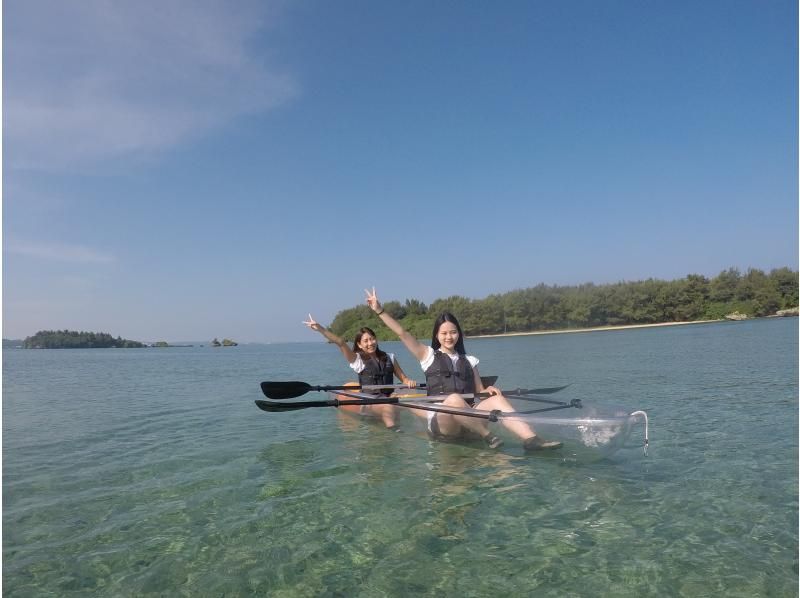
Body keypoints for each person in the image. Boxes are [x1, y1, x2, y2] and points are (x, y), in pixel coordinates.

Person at [364, 288, 562, 450]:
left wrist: (489, 392)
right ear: (437, 335)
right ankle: (488, 435)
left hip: (468, 420)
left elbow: (478, 392)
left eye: (453, 332)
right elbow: (402, 333)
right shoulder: (427, 355)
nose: (449, 337)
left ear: (459, 334)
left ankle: (531, 439)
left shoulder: (470, 360)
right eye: (444, 333)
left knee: (498, 398)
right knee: (454, 399)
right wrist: (380, 310)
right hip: (442, 423)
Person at [303, 314, 417, 430]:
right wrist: (320, 328)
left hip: (389, 396)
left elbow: (404, 378)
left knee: (397, 403)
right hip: (369, 401)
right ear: (359, 345)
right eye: (366, 341)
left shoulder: (389, 357)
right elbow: (340, 342)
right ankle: (394, 432)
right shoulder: (357, 360)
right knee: (388, 407)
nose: (370, 343)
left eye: (372, 339)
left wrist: (409, 382)